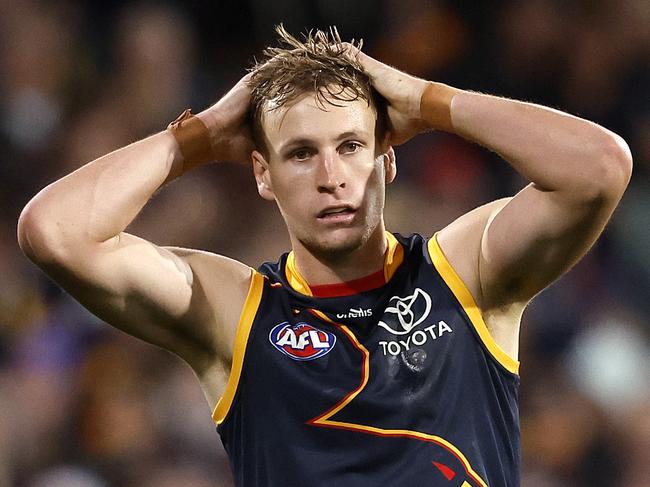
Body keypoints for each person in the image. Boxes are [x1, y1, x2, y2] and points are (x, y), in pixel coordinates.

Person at [17, 26, 632, 487]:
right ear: (263, 175)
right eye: (301, 153)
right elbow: (55, 232)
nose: (332, 176)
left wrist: (427, 99)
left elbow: (599, 168)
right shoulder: (234, 311)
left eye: (351, 145)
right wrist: (199, 134)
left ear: (387, 159)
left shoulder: (466, 272)